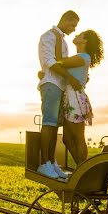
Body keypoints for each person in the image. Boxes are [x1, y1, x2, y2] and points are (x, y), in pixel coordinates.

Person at [37, 10, 81, 180]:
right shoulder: (48, 36)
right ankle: (44, 163)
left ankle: (51, 162)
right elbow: (50, 62)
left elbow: (64, 63)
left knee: (54, 126)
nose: (74, 29)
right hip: (51, 84)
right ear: (65, 20)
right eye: (73, 24)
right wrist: (70, 77)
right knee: (48, 124)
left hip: (60, 85)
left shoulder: (62, 41)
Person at [56, 30, 104, 166]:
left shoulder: (82, 57)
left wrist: (58, 40)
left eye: (80, 34)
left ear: (85, 40)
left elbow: (59, 62)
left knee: (78, 138)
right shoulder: (79, 57)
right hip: (70, 98)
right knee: (67, 139)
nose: (76, 35)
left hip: (75, 99)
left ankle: (84, 170)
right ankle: (83, 169)